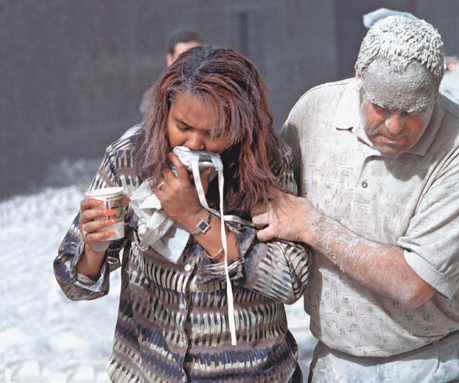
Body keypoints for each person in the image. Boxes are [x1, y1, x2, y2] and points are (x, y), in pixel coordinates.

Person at [250, 15, 459, 382]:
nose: (395, 126)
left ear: (437, 89)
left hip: (444, 361)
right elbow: (269, 205)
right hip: (338, 364)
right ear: (357, 77)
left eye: (413, 110)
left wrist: (314, 227)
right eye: (381, 107)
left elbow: (413, 284)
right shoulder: (314, 113)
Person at [54, 45, 310, 383]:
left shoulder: (267, 165)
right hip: (149, 371)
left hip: (253, 374)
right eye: (183, 125)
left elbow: (291, 280)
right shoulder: (128, 161)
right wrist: (94, 249)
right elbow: (76, 287)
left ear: (242, 125)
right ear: (164, 111)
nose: (194, 143)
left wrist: (196, 218)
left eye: (214, 132)